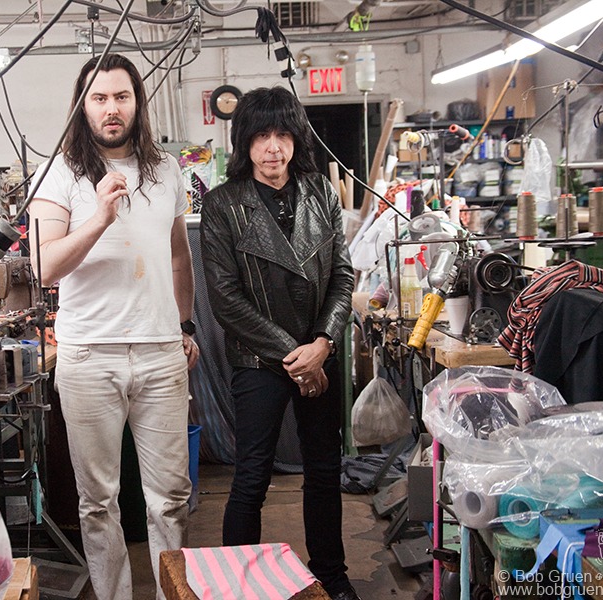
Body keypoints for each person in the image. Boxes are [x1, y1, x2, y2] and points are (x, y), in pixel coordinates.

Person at [28, 53, 199, 600]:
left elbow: (178, 257)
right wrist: (99, 217)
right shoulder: (60, 171)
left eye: (120, 96)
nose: (110, 108)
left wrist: (186, 325)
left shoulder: (167, 170)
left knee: (170, 495)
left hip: (159, 353)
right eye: (98, 98)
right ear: (82, 105)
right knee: (98, 502)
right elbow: (44, 266)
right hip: (88, 357)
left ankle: (174, 593)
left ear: (136, 102)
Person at [200, 86, 359, 600]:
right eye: (262, 135)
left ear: (296, 139)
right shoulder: (223, 205)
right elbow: (225, 299)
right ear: (244, 141)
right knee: (250, 478)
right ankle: (235, 584)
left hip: (319, 352)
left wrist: (323, 343)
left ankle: (333, 576)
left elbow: (342, 276)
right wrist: (296, 355)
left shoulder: (322, 193)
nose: (274, 147)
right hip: (259, 359)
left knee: (323, 471)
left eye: (283, 134)